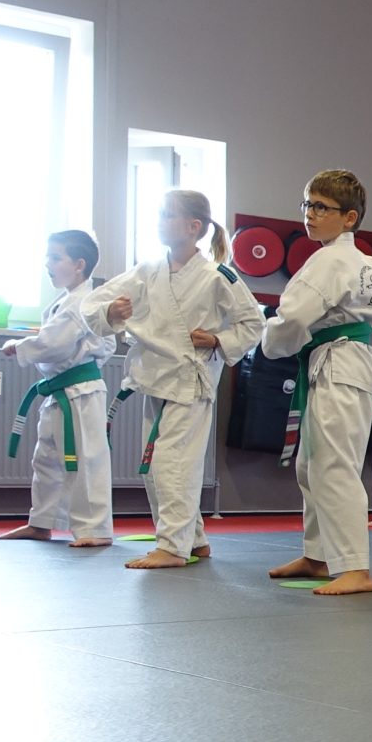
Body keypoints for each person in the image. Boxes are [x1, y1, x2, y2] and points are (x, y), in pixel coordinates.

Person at [80, 191, 262, 570]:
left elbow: (253, 323)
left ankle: (173, 546)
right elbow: (92, 303)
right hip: (154, 378)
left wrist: (218, 340)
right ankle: (193, 539)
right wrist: (111, 311)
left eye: (167, 215)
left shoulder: (218, 276)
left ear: (194, 227)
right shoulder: (147, 270)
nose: (160, 221)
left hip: (189, 382)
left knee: (172, 464)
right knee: (155, 466)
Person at [260, 169, 372, 597]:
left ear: (349, 217)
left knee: (333, 465)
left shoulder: (330, 261)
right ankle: (319, 554)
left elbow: (292, 317)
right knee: (311, 464)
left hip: (338, 365)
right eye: (307, 204)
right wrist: (369, 341)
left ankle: (355, 567)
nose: (310, 214)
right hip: (344, 362)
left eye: (321, 207)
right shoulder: (368, 263)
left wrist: (272, 343)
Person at [0, 229, 117, 549]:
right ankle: (42, 522)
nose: (47, 264)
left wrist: (20, 346)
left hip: (82, 392)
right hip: (60, 390)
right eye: (47, 257)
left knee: (86, 459)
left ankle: (96, 529)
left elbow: (55, 343)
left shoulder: (85, 302)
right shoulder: (66, 301)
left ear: (79, 265)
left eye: (55, 257)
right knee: (47, 458)